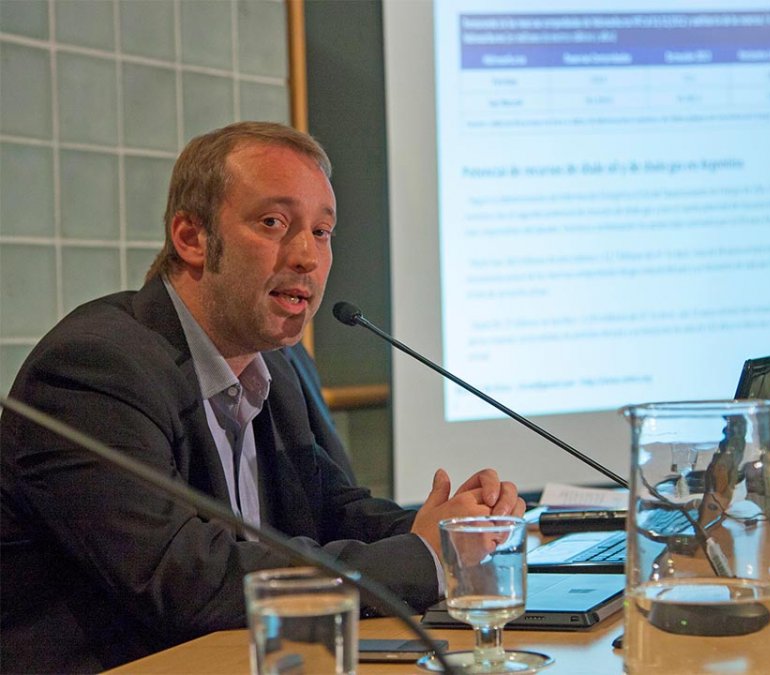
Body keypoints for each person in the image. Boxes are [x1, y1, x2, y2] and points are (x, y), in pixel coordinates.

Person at [0, 122, 524, 673]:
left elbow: (332, 513)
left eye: (321, 231)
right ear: (191, 238)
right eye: (274, 223)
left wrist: (457, 529)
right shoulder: (95, 370)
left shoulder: (275, 364)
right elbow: (184, 582)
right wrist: (422, 558)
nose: (306, 256)